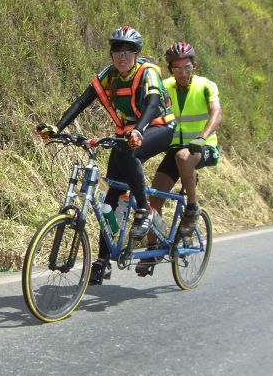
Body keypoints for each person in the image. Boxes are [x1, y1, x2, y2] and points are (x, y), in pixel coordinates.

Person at [37, 25, 176, 284]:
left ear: (136, 54)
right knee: (110, 195)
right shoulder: (108, 76)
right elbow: (82, 101)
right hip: (126, 135)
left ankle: (144, 211)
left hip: (158, 127)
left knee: (130, 153)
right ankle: (101, 262)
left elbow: (153, 103)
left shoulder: (148, 73)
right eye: (117, 51)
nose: (122, 56)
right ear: (111, 54)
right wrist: (58, 127)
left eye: (128, 51)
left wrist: (140, 130)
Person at [139, 41, 221, 274]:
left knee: (185, 157)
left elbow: (216, 113)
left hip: (204, 147)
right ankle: (151, 250)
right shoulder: (166, 87)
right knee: (154, 199)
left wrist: (203, 136)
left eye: (186, 67)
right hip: (175, 150)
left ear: (194, 66)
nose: (182, 73)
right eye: (176, 68)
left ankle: (192, 210)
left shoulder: (206, 86)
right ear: (170, 69)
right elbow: (154, 109)